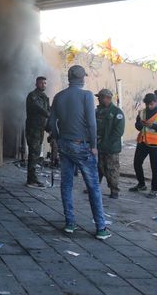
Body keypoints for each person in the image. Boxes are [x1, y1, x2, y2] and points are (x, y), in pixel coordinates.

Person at [47, 65, 111, 240]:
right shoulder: (86, 95)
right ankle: (101, 228)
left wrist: (59, 138)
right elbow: (91, 123)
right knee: (93, 187)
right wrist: (93, 146)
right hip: (81, 145)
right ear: (82, 79)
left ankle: (69, 223)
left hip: (64, 144)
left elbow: (51, 123)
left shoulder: (59, 97)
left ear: (69, 78)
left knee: (66, 185)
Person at [129, 93, 157, 198]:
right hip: (142, 141)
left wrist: (154, 126)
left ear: (156, 102)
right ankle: (141, 184)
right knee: (137, 163)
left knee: (155, 167)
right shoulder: (142, 112)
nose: (149, 106)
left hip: (155, 144)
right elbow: (138, 126)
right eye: (147, 104)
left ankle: (154, 189)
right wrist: (139, 125)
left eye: (151, 104)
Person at [94, 89, 125, 199]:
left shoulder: (117, 112)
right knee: (97, 168)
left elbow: (118, 132)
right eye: (98, 97)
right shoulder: (97, 111)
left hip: (111, 147)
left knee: (111, 169)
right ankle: (93, 188)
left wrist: (106, 142)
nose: (98, 99)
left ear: (107, 98)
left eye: (100, 97)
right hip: (98, 146)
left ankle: (114, 190)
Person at [25, 76, 50, 189]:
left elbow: (48, 110)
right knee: (33, 153)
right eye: (41, 83)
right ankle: (31, 180)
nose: (43, 85)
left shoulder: (44, 97)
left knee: (36, 153)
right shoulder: (32, 96)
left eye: (45, 83)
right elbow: (38, 108)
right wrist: (49, 114)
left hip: (40, 128)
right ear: (36, 84)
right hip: (33, 128)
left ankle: (33, 178)